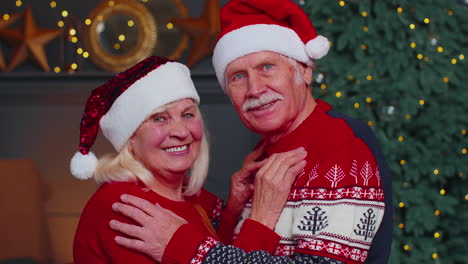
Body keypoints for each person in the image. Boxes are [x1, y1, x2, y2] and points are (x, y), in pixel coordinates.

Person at [109, 0, 393, 263]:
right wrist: (232, 212)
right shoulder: (266, 154)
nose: (255, 89)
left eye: (267, 67)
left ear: (305, 71)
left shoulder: (339, 148)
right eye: (238, 77)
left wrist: (187, 248)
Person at [70, 56, 308, 263]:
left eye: (187, 114)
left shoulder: (191, 195)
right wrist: (261, 219)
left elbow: (212, 254)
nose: (181, 131)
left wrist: (232, 210)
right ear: (130, 137)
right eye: (159, 119)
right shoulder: (123, 206)